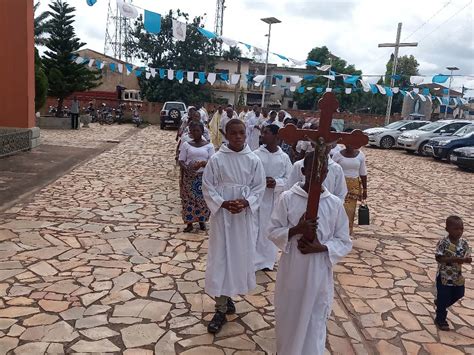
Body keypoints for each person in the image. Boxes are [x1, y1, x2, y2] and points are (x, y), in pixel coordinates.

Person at [268, 151, 352, 355]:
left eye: (322, 171)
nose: (317, 175)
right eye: (312, 170)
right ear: (303, 171)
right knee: (290, 314)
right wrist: (297, 229)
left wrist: (321, 247)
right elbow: (272, 231)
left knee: (315, 318)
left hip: (318, 269)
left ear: (327, 173)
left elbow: (344, 240)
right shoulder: (288, 198)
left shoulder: (334, 204)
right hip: (293, 267)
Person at [202, 119, 266, 334]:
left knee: (237, 258)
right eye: (234, 133)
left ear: (246, 134)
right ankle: (220, 308)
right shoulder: (217, 159)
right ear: (226, 134)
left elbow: (259, 187)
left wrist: (247, 202)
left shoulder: (253, 160)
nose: (238, 136)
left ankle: (228, 296)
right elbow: (208, 186)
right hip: (222, 217)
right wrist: (222, 203)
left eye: (241, 133)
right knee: (221, 259)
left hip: (242, 218)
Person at [254, 125, 293, 271]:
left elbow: (289, 179)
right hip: (258, 198)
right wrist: (262, 181)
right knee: (255, 229)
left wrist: (276, 182)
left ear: (277, 137)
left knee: (270, 228)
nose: (262, 135)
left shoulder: (283, 158)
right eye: (262, 132)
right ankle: (253, 259)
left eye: (266, 133)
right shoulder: (256, 155)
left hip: (274, 199)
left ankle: (267, 261)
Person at [434, 216, 471, 331]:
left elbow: (466, 255)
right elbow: (439, 258)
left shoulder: (463, 243)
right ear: (447, 229)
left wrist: (467, 259)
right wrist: (454, 260)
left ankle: (440, 303)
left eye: (461, 229)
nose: (459, 231)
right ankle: (440, 319)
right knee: (444, 295)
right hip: (444, 276)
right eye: (456, 229)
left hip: (457, 275)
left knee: (460, 293)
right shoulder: (443, 242)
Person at [178, 121, 215, 233]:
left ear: (202, 131)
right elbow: (181, 160)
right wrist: (188, 168)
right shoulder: (186, 145)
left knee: (202, 200)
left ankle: (201, 221)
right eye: (193, 130)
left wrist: (204, 163)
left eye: (197, 130)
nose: (195, 132)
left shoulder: (209, 145)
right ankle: (189, 223)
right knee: (188, 200)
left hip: (203, 177)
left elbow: (213, 161)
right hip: (190, 177)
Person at [332, 144, 368, 234]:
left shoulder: (360, 155)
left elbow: (363, 173)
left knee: (349, 211)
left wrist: (365, 189)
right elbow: (331, 170)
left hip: (353, 187)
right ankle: (335, 231)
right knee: (338, 209)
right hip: (339, 185)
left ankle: (346, 232)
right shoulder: (337, 155)